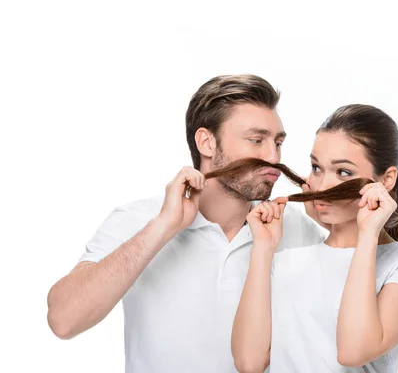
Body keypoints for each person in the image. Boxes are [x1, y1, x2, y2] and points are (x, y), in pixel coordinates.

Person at [46, 74, 327, 373]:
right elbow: (64, 320)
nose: (273, 157)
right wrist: (164, 227)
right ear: (206, 142)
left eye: (278, 142)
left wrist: (331, 219)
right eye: (256, 140)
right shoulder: (139, 220)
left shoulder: (296, 228)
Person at [232, 104, 398, 373]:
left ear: (386, 180)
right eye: (317, 168)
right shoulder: (287, 259)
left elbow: (353, 351)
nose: (322, 187)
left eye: (343, 172)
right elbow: (249, 363)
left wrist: (368, 234)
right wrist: (263, 247)